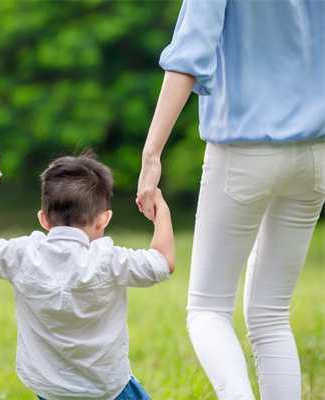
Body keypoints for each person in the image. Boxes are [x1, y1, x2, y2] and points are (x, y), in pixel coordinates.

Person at [136, 1, 325, 399]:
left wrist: (152, 155)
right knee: (272, 315)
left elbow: (188, 56)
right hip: (316, 154)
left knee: (208, 310)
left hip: (242, 150)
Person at [0, 154, 175, 400]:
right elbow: (162, 262)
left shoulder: (24, 255)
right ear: (104, 219)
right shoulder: (109, 260)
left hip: (50, 390)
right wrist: (161, 211)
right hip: (108, 390)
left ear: (43, 219)